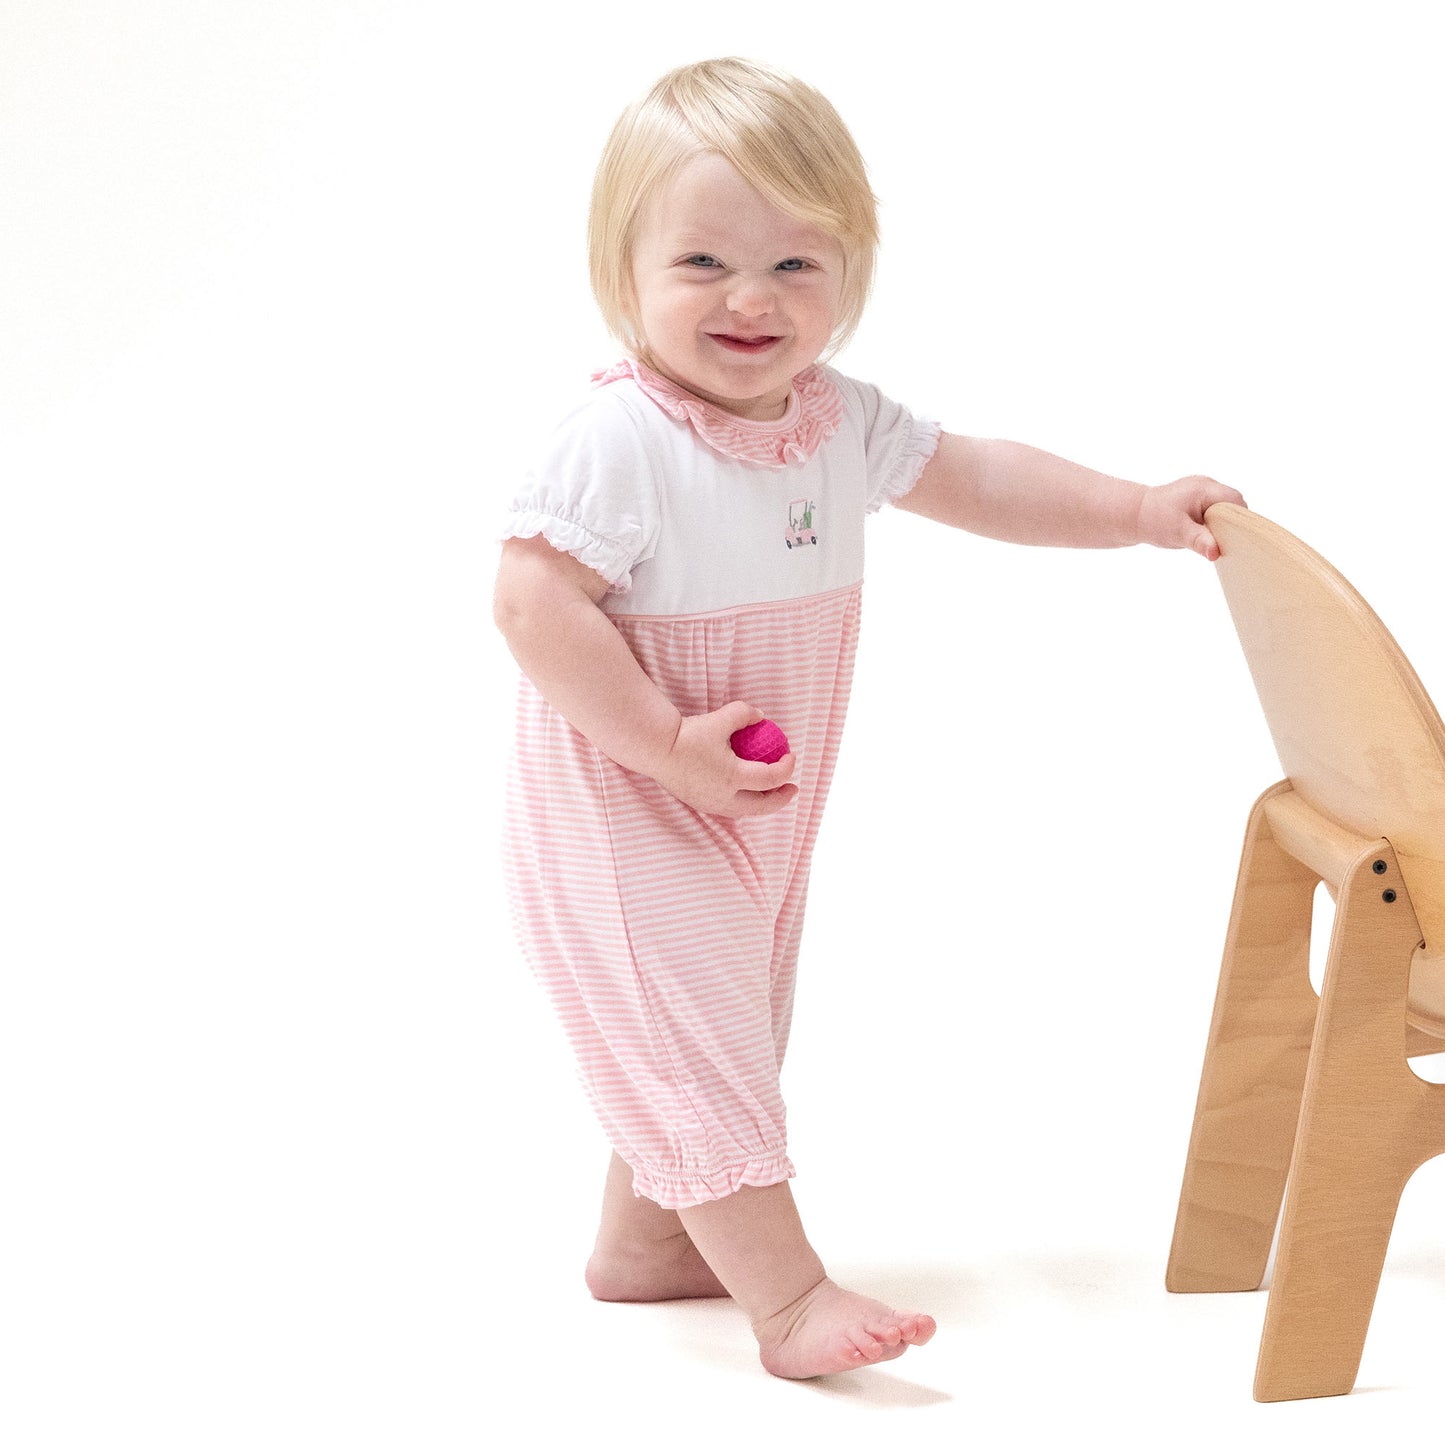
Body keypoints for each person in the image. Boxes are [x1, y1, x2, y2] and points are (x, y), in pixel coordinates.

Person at [493, 56, 1244, 1380]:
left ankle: (650, 1244)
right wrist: (663, 741)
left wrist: (1132, 511)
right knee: (696, 1039)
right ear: (623, 271)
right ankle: (787, 1303)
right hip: (625, 805)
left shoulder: (830, 422)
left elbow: (973, 473)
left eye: (796, 264)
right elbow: (530, 603)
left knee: (719, 1028)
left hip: (758, 812)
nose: (750, 298)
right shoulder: (620, 441)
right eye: (703, 262)